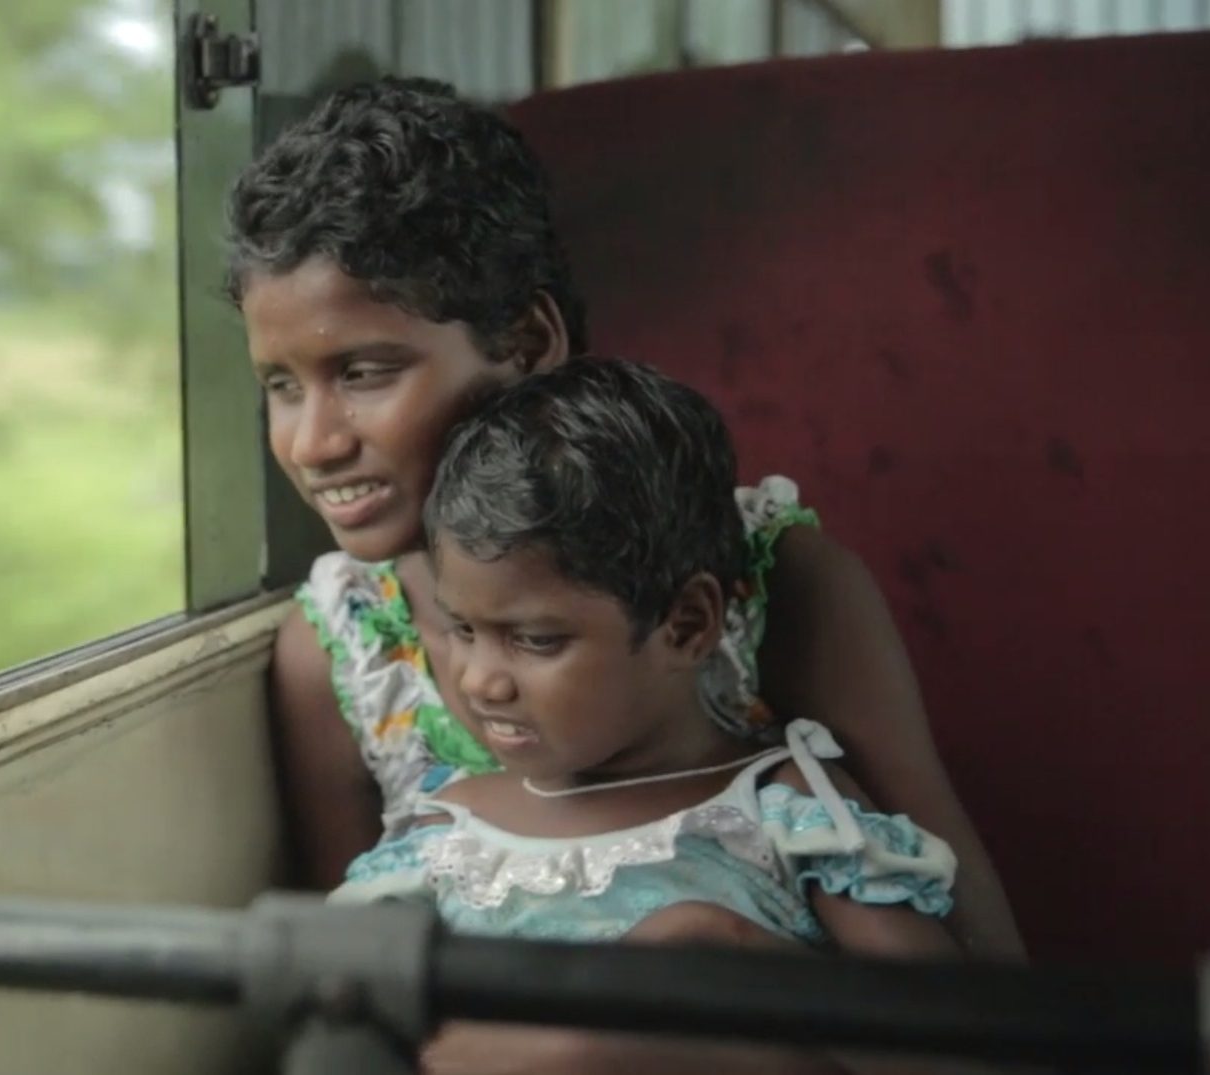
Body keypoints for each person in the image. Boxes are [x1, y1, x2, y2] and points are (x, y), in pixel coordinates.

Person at [226, 76, 1023, 962]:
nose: (313, 441)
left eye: (366, 372)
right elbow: (354, 971)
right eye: (280, 385)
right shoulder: (344, 652)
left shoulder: (767, 578)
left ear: (529, 343)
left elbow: (958, 930)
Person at [331, 358, 961, 1073]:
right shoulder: (443, 840)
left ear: (686, 625)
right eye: (462, 630)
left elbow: (959, 1049)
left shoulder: (787, 818)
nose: (480, 680)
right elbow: (338, 1031)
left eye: (535, 639)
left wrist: (727, 959)